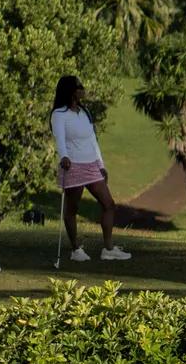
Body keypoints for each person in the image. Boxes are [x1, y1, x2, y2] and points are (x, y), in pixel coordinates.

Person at [51, 75, 130, 263]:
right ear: (71, 91)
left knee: (109, 204)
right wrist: (64, 157)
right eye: (80, 87)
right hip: (73, 165)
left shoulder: (84, 112)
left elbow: (93, 140)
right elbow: (60, 139)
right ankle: (76, 249)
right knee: (72, 207)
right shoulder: (59, 114)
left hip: (91, 165)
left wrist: (101, 165)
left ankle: (108, 249)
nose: (83, 90)